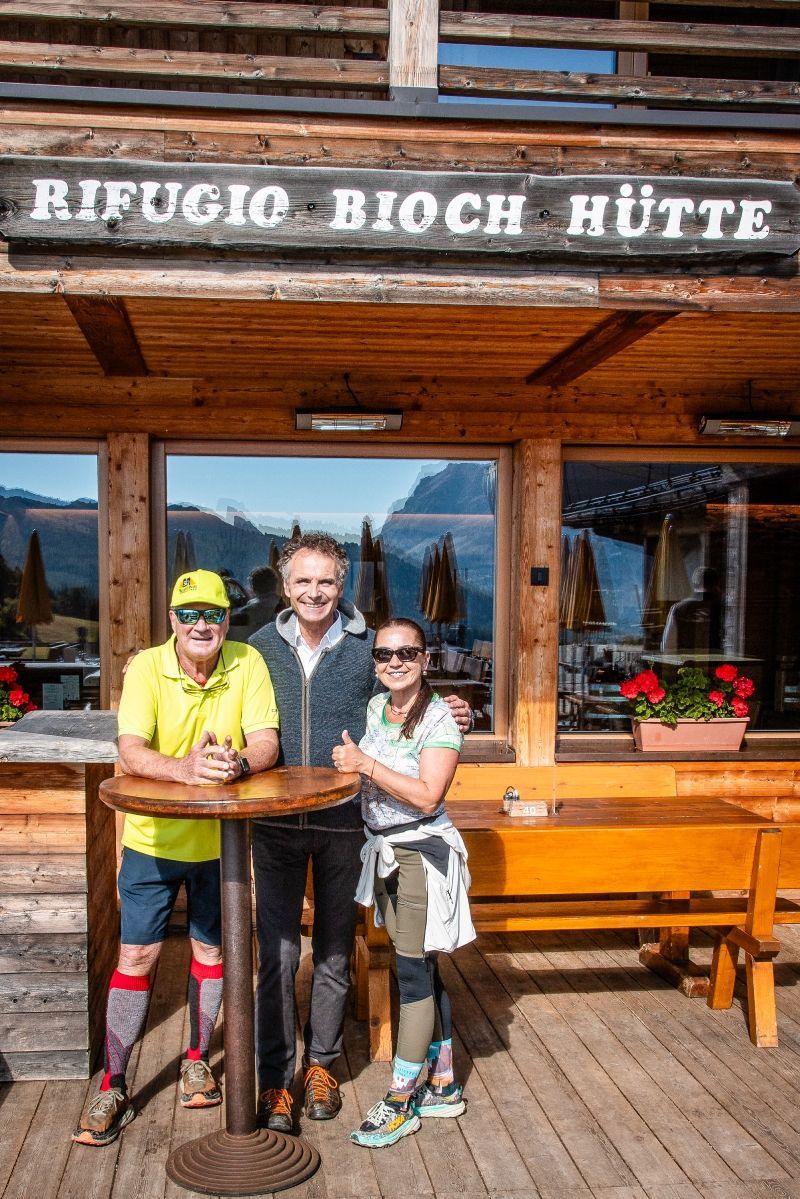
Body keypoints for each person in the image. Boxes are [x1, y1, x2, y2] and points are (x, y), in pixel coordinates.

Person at [248, 533, 471, 1134]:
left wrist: (451, 707)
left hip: (348, 825)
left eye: (326, 582)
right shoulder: (258, 648)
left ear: (340, 586)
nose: (314, 592)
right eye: (303, 581)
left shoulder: (367, 649)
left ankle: (321, 1066)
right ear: (285, 585)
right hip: (272, 826)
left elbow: (406, 701)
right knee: (277, 955)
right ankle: (275, 1078)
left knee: (332, 952)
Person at [72, 569, 280, 1148]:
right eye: (189, 614)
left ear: (226, 619)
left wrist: (239, 763)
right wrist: (184, 769)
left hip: (221, 841)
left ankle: (195, 1060)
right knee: (137, 955)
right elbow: (130, 749)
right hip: (153, 840)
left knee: (212, 950)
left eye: (212, 613)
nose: (201, 625)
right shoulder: (145, 667)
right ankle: (113, 1083)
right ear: (172, 621)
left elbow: (267, 740)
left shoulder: (248, 662)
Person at [332, 617, 475, 1149]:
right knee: (421, 965)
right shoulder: (377, 708)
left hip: (419, 853)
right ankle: (442, 1084)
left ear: (426, 659)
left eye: (407, 653)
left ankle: (400, 1098)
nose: (394, 662)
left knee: (412, 974)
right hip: (388, 854)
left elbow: (427, 796)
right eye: (385, 654)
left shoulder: (441, 719)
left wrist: (365, 764)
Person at [660, 566, 722, 655]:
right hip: (718, 664)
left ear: (694, 583)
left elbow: (668, 645)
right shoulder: (723, 607)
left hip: (687, 665)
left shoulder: (679, 608)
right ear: (716, 584)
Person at [229, 564, 283, 643]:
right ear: (275, 584)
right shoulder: (283, 605)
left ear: (254, 586)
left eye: (251, 583)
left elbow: (228, 620)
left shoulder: (251, 610)